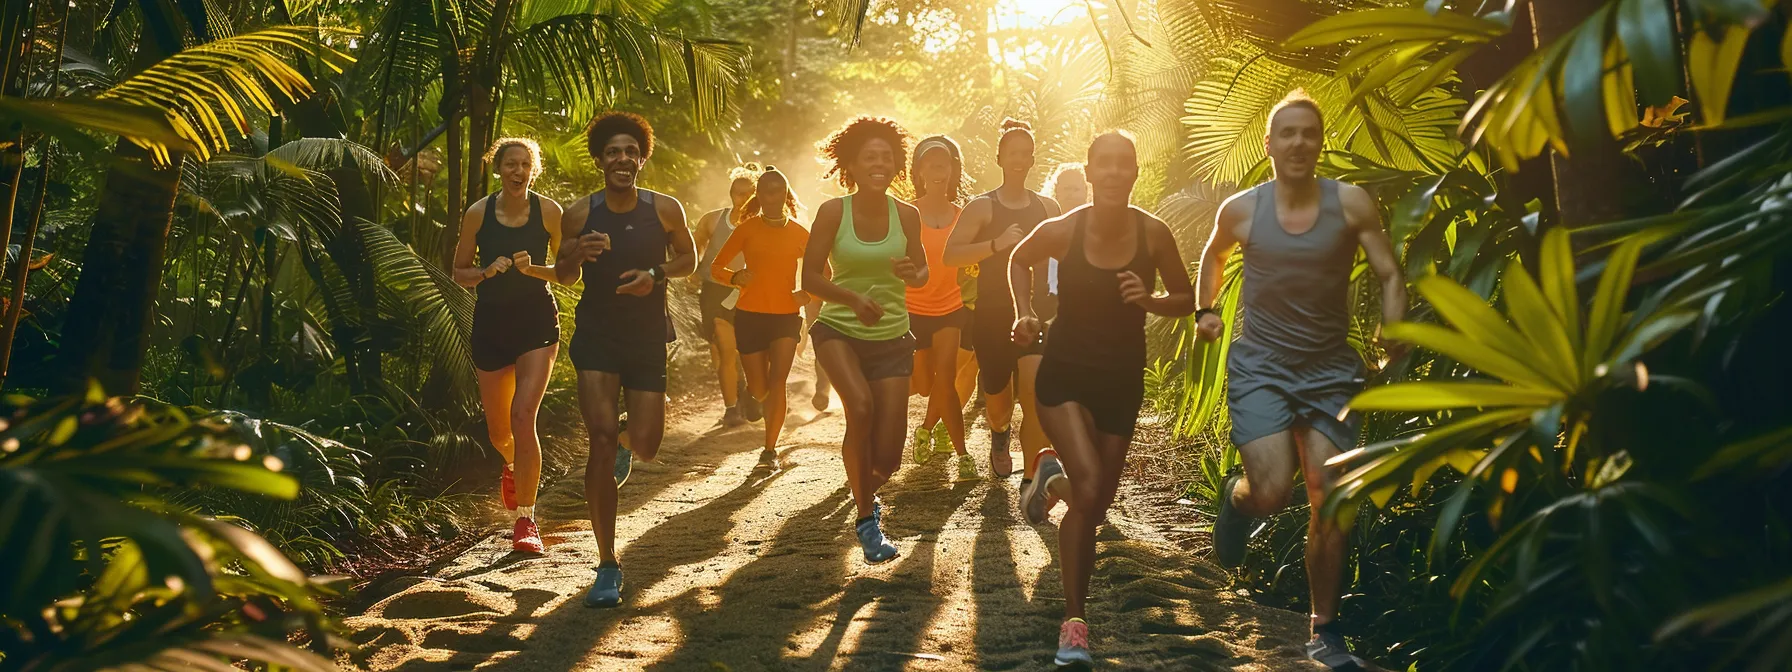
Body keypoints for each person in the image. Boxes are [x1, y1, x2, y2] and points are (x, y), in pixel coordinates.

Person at [1198, 90, 1407, 669]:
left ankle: (1325, 630)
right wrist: (1206, 311)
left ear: (1320, 143)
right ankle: (1236, 504)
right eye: (1285, 133)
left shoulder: (1352, 203)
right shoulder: (1241, 209)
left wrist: (1395, 331)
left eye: (1307, 133)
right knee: (1270, 493)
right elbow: (1211, 258)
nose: (1297, 143)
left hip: (1331, 374)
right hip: (1261, 369)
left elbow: (1389, 272)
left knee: (1331, 499)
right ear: (1267, 145)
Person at [1010, 131, 1195, 666]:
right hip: (1064, 375)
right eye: (1104, 164)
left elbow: (1186, 298)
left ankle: (1051, 478)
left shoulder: (1154, 233)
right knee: (1091, 491)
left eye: (1124, 164)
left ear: (1135, 172)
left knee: (1094, 504)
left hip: (1120, 382)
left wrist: (1153, 299)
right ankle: (1074, 622)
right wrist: (1024, 312)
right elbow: (1020, 259)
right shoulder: (1065, 228)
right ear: (1089, 174)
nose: (1114, 172)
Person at [556, 111, 697, 608]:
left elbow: (689, 259)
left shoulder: (664, 209)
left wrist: (655, 275)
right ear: (599, 160)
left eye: (631, 152)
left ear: (641, 159)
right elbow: (563, 274)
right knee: (595, 442)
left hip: (644, 338)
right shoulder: (578, 213)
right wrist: (577, 252)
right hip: (596, 336)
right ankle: (607, 564)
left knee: (648, 444)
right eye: (613, 152)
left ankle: (623, 436)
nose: (622, 159)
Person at [802, 116, 928, 564]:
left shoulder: (907, 215)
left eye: (886, 156)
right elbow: (810, 276)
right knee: (859, 407)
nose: (879, 163)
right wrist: (852, 298)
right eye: (869, 156)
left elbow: (923, 269)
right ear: (851, 165)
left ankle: (865, 491)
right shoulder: (834, 212)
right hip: (839, 329)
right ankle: (865, 520)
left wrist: (916, 273)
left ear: (897, 165)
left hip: (893, 337)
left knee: (890, 459)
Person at [452, 137, 564, 554]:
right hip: (492, 325)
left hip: (537, 322)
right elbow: (459, 272)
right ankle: (512, 465)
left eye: (525, 165)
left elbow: (568, 272)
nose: (518, 171)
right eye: (510, 164)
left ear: (533, 170)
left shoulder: (549, 212)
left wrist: (534, 269)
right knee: (500, 433)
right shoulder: (478, 213)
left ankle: (526, 520)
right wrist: (485, 271)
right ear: (497, 168)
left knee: (522, 417)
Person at [944, 119, 1061, 481]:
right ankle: (999, 433)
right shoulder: (983, 207)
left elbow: (1060, 258)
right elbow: (951, 255)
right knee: (998, 399)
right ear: (1000, 157)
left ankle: (1032, 478)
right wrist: (996, 245)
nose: (1020, 160)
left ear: (1032, 159)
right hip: (992, 313)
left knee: (1033, 393)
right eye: (1013, 153)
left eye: (1026, 154)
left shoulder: (1048, 208)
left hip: (1037, 312)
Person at [710, 166, 809, 464]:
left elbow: (824, 273)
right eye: (767, 191)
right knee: (759, 387)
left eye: (779, 190)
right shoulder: (747, 229)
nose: (773, 196)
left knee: (778, 382)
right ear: (760, 195)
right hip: (750, 316)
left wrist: (805, 295)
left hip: (786, 317)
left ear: (786, 194)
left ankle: (769, 449)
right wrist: (735, 277)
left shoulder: (799, 232)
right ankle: (755, 399)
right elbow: (716, 268)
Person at [903, 135, 977, 480]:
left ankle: (963, 456)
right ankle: (924, 429)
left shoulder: (965, 216)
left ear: (953, 170)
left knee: (945, 380)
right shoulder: (906, 214)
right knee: (921, 384)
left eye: (943, 164)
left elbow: (974, 261)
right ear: (918, 171)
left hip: (950, 307)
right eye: (930, 164)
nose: (937, 170)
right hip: (912, 308)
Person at [691, 165, 763, 427]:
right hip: (715, 290)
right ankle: (731, 408)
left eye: (747, 193)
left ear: (756, 195)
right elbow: (696, 245)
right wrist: (693, 269)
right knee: (724, 349)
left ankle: (752, 393)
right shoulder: (712, 220)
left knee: (750, 351)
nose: (741, 198)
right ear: (730, 193)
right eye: (737, 192)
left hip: (750, 291)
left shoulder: (764, 223)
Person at [1040, 162, 1088, 323]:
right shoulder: (1044, 225)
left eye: (1076, 189)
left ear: (1086, 192)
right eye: (1067, 189)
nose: (1071, 194)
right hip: (1047, 304)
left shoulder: (1098, 225)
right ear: (1057, 191)